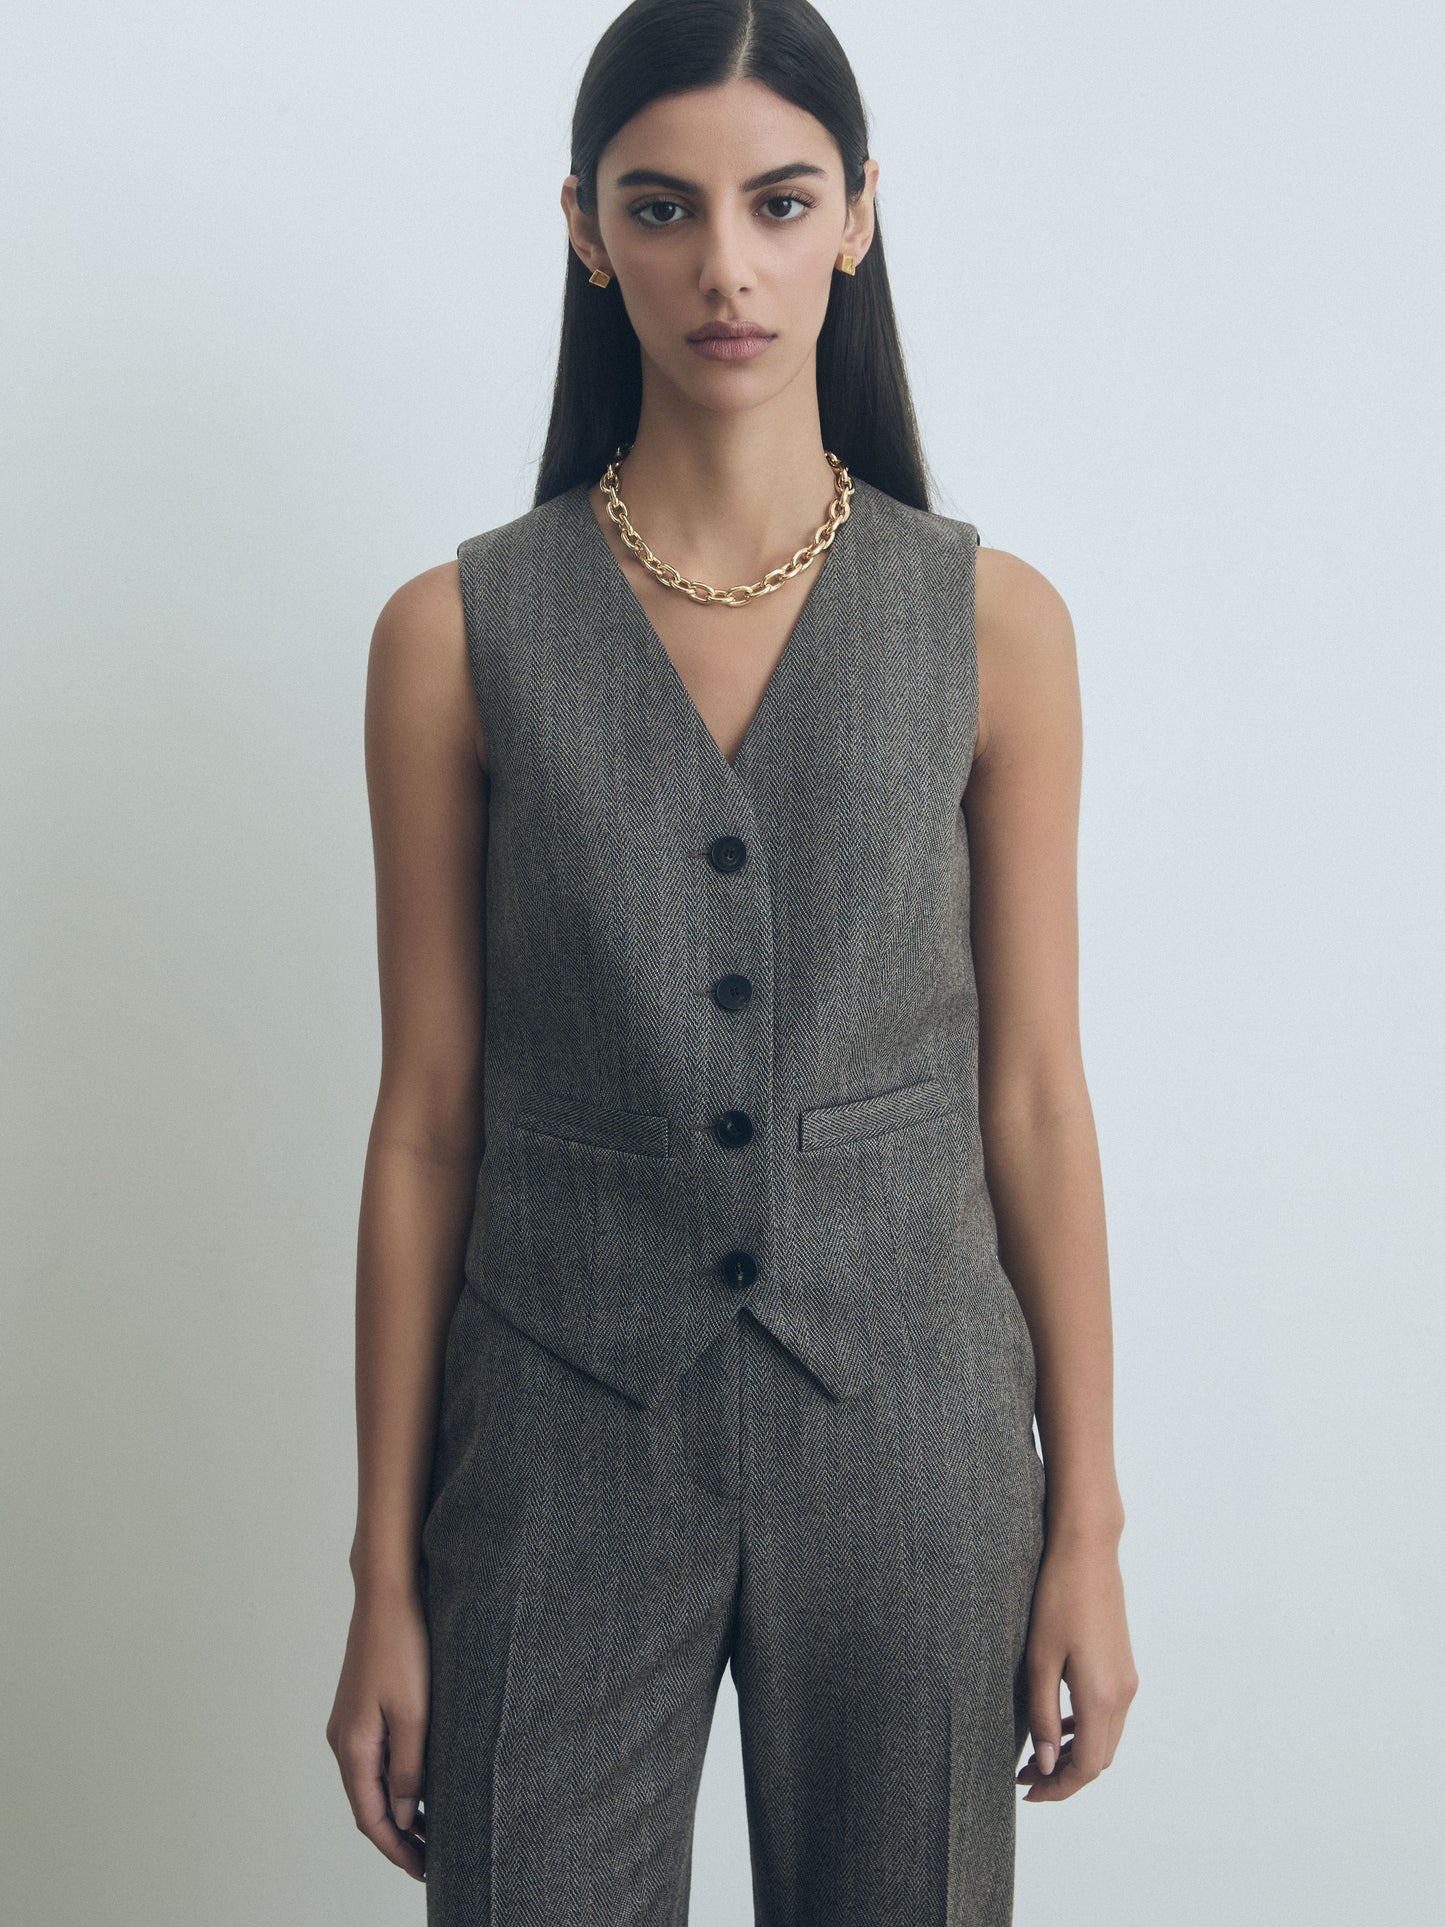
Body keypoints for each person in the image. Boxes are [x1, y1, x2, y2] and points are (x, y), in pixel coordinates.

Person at [326, 1, 1138, 1919]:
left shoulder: (994, 626)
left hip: (916, 1431)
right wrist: (381, 1572)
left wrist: (1084, 1521)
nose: (726, 266)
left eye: (778, 203)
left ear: (856, 216)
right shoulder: (452, 637)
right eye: (663, 209)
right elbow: (427, 1121)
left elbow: (1031, 1093)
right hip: (552, 1435)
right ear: (586, 229)